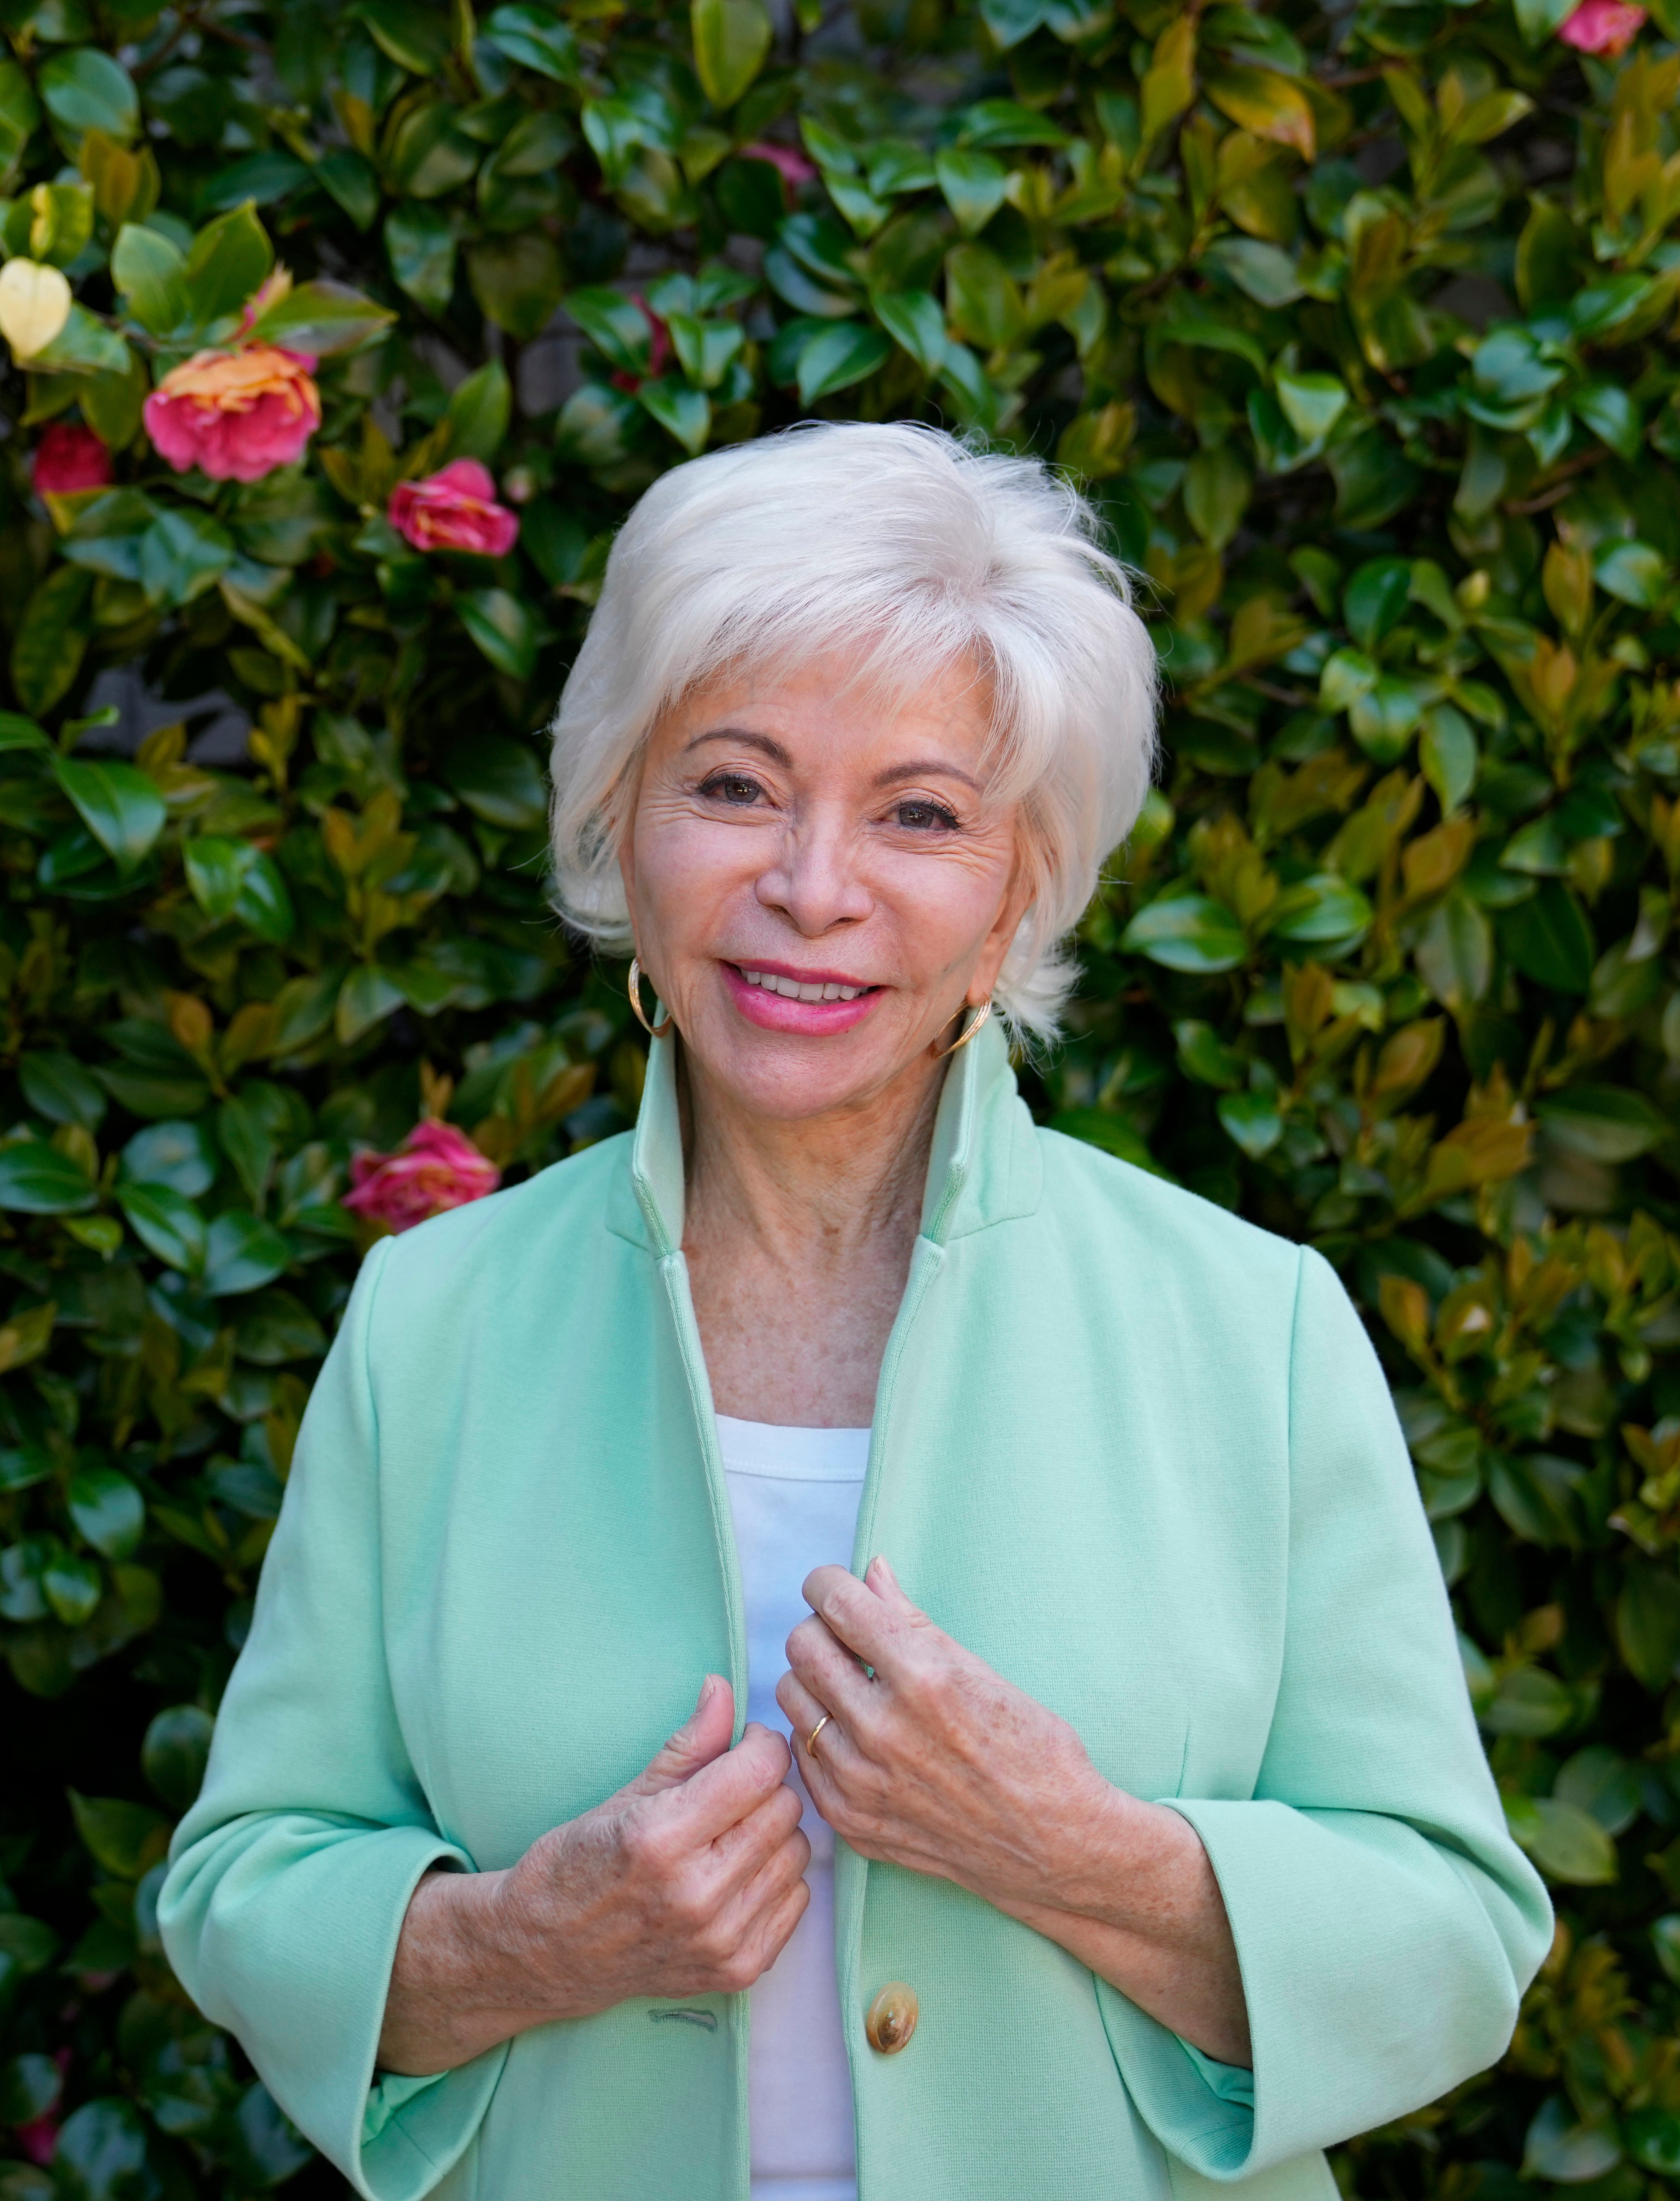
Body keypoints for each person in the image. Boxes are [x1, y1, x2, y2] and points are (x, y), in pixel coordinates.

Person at [160, 423, 1551, 2201]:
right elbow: (247, 1888)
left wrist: (1072, 1851)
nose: (814, 888)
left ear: (1019, 890)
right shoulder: (433, 1318)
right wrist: (532, 1940)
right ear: (622, 823)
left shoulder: (1250, 1328)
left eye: (920, 814)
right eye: (736, 786)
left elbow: (1452, 1945)